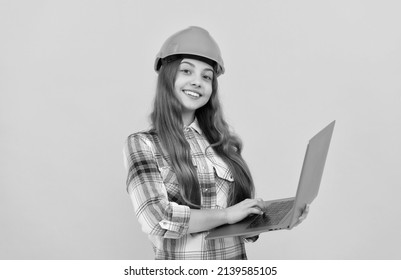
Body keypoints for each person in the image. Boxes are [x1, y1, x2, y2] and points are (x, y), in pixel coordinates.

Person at [123, 26, 306, 260]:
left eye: (206, 76)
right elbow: (157, 218)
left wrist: (275, 218)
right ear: (167, 77)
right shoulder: (142, 145)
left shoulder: (221, 144)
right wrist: (227, 215)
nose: (197, 82)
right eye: (187, 71)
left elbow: (239, 224)